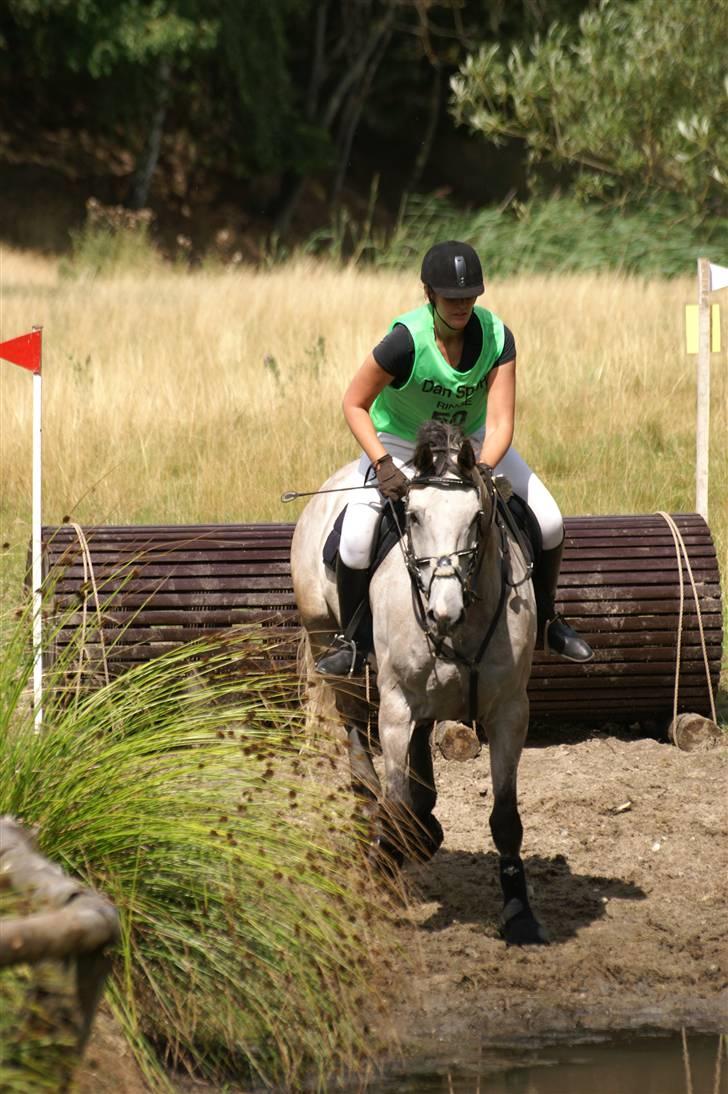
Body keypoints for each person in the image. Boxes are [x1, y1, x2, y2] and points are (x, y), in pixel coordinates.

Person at [315, 240, 593, 676]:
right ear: (430, 295)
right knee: (355, 537)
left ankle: (549, 623)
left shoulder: (498, 338)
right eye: (452, 297)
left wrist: (482, 469)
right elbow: (354, 403)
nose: (463, 305)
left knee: (551, 519)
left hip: (472, 445)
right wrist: (383, 464)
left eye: (469, 296)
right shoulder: (404, 342)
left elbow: (501, 423)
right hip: (403, 444)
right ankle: (352, 641)